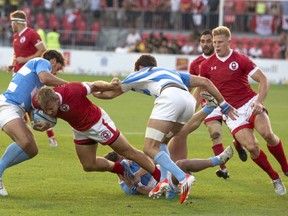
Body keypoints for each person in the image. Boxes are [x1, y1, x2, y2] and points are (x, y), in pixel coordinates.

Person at [93, 54, 238, 204]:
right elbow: (205, 81)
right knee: (163, 141)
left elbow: (110, 93)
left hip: (169, 97)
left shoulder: (139, 73)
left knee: (149, 148)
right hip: (188, 101)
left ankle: (183, 177)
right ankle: (165, 183)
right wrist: (223, 103)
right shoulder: (171, 72)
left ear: (140, 67)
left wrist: (94, 92)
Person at [199, 26, 288, 196]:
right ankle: (275, 177)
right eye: (215, 42)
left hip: (250, 103)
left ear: (229, 42)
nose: (217, 45)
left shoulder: (240, 59)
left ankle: (286, 167)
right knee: (252, 147)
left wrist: (259, 102)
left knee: (267, 134)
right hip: (231, 112)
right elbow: (204, 88)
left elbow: (263, 80)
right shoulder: (206, 66)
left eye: (220, 42)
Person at [34, 82, 161, 194]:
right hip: (80, 129)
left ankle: (161, 179)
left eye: (51, 109)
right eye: (46, 110)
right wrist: (38, 125)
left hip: (98, 123)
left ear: (56, 99)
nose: (49, 113)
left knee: (128, 152)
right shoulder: (40, 102)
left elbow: (94, 85)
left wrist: (110, 86)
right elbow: (35, 112)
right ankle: (121, 169)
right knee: (88, 165)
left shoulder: (72, 91)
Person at [168, 30, 247, 180]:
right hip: (210, 104)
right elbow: (194, 88)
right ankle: (223, 168)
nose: (205, 44)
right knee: (214, 133)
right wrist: (187, 106)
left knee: (240, 135)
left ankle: (238, 143)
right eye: (202, 41)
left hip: (231, 101)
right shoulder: (196, 63)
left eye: (208, 41)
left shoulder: (228, 59)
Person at [0, 50, 70, 196]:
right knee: (24, 141)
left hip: (15, 110)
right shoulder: (41, 62)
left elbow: (32, 111)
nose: (55, 74)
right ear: (53, 61)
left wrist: (37, 123)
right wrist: (68, 85)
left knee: (32, 150)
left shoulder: (39, 87)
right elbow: (45, 77)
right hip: (7, 105)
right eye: (57, 69)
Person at [6, 10, 58, 147]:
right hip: (18, 75)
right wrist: (13, 63)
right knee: (20, 107)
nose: (10, 25)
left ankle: (51, 137)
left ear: (16, 22)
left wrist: (25, 59)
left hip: (33, 76)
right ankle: (24, 137)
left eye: (12, 22)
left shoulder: (31, 34)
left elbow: (42, 50)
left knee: (38, 105)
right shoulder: (16, 36)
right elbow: (16, 54)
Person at [104, 145, 233, 197]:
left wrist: (138, 173)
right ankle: (218, 160)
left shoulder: (131, 163)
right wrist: (135, 187)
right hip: (168, 185)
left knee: (180, 160)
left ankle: (219, 160)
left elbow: (152, 161)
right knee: (182, 163)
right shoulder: (126, 185)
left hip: (167, 172)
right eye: (122, 160)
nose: (125, 160)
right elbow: (151, 193)